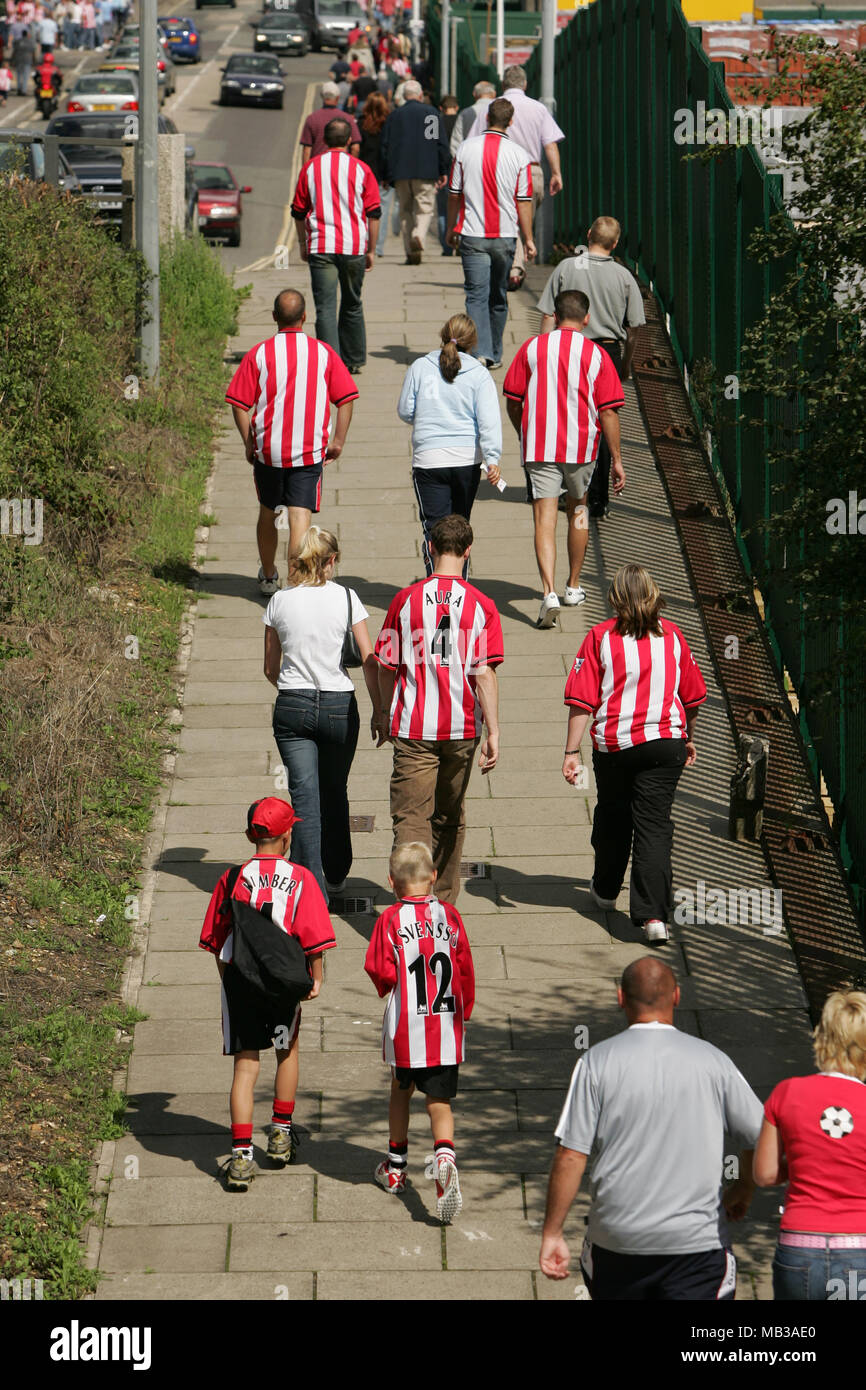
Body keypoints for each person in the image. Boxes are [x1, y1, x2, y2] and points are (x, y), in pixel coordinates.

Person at [540, 957, 763, 1300]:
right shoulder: (713, 1061)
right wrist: (743, 1187)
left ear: (620, 998)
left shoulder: (595, 1062)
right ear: (676, 996)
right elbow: (759, 1133)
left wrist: (553, 1232)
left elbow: (571, 1155)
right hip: (697, 1245)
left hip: (616, 1240)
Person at [562, 564, 707, 943]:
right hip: (665, 745)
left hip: (615, 747)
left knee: (613, 815)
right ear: (654, 595)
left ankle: (607, 890)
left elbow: (581, 701)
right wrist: (686, 735)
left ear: (615, 599)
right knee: (654, 827)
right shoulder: (673, 636)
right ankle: (653, 916)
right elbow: (692, 697)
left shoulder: (600, 637)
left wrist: (571, 751)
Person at [198, 798, 336, 1191]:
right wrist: (316, 977)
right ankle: (280, 1132)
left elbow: (215, 939)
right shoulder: (302, 878)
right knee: (286, 1050)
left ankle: (241, 1157)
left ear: (249, 836)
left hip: (241, 982)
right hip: (282, 983)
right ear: (288, 834)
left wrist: (228, 977)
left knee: (245, 1066)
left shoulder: (232, 878)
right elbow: (314, 939)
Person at [374, 514, 503, 905]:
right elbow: (483, 674)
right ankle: (443, 903)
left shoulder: (405, 600)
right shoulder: (482, 606)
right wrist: (493, 731)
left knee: (411, 819)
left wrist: (383, 711)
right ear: (468, 551)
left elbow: (386, 664)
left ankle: (412, 903)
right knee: (449, 818)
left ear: (429, 548)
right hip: (462, 729)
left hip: (413, 727)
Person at [263, 526, 383, 902]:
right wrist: (381, 709)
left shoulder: (279, 601)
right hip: (338, 708)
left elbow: (270, 667)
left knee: (304, 797)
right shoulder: (347, 598)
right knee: (335, 790)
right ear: (331, 561)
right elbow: (368, 659)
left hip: (292, 706)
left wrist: (294, 692)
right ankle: (336, 873)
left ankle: (309, 892)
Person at [364, 841, 475, 1222]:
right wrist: (466, 1010)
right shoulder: (450, 917)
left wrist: (389, 984)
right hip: (445, 1027)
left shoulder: (390, 921)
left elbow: (380, 969)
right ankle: (444, 1154)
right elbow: (464, 968)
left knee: (400, 1092)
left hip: (407, 1032)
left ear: (392, 882)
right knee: (439, 1103)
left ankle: (396, 1169)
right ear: (434, 877)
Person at [503, 289, 625, 626]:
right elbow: (609, 412)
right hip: (581, 449)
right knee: (579, 512)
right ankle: (573, 585)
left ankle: (548, 592)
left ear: (555, 317)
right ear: (587, 318)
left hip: (540, 447)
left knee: (544, 519)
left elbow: (513, 398)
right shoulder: (597, 355)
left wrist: (522, 429)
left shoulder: (532, 349)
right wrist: (616, 458)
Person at [226, 289, 358, 594]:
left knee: (268, 512)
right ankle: (295, 582)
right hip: (309, 450)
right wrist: (338, 439)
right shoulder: (323, 353)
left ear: (274, 317)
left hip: (268, 451)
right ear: (305, 317)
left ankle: (269, 575)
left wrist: (249, 441)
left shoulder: (259, 353)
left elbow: (237, 401)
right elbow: (347, 397)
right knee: (299, 515)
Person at [754, 988, 866, 1301]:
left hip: (799, 1246)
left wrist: (804, 1165)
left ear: (823, 1036)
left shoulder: (786, 1092)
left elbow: (763, 1174)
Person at [538, 217, 646, 519]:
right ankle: (597, 498)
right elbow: (634, 329)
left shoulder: (566, 268)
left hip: (568, 348)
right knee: (601, 421)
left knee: (567, 417)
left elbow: (549, 315)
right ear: (615, 243)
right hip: (607, 351)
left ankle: (567, 487)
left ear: (588, 235)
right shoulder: (624, 277)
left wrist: (544, 353)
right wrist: (625, 363)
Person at [397, 314, 502, 577]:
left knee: (434, 529)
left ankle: (435, 585)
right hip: (467, 461)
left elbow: (405, 410)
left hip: (429, 460)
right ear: (473, 341)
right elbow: (488, 421)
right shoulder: (479, 374)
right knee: (460, 527)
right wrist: (492, 459)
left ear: (443, 334)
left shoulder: (420, 367)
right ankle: (459, 587)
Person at [447, 98, 535, 371]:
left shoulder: (465, 149)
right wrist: (529, 239)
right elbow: (524, 202)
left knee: (475, 296)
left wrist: (452, 228)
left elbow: (454, 194)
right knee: (498, 296)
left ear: (486, 118)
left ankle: (479, 353)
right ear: (511, 121)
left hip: (472, 234)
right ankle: (495, 353)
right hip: (505, 236)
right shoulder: (520, 155)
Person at [291, 117, 381, 374]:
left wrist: (302, 243)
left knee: (325, 308)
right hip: (353, 247)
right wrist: (371, 249)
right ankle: (353, 359)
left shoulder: (310, 168)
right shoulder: (361, 169)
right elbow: (374, 213)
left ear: (325, 140)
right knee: (352, 303)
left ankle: (330, 365)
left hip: (321, 247)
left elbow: (298, 211)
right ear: (350, 141)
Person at [465, 64, 565, 290]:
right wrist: (556, 173)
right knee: (522, 220)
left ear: (503, 85)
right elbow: (549, 144)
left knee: (511, 220)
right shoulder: (538, 109)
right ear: (525, 84)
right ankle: (514, 267)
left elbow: (473, 141)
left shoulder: (491, 107)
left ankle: (510, 266)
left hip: (498, 169)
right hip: (532, 170)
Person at [380, 78, 450, 265]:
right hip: (426, 170)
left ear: (403, 97)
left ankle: (411, 254)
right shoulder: (430, 113)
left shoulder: (395, 116)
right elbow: (439, 143)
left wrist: (385, 174)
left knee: (405, 211)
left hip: (401, 171)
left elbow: (385, 147)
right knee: (424, 208)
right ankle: (418, 234)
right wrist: (443, 169)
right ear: (420, 95)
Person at [357, 90, 393, 258]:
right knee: (382, 211)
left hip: (363, 174)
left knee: (362, 211)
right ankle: (377, 247)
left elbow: (357, 149)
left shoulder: (360, 124)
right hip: (383, 174)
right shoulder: (389, 124)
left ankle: (364, 244)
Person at [299, 82, 361, 163]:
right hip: (343, 167)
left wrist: (306, 171)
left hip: (318, 167)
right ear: (338, 97)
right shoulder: (347, 118)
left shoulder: (312, 119)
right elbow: (355, 148)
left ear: (322, 96)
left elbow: (307, 150)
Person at [450, 79, 494, 156]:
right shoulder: (500, 111)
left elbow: (456, 142)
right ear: (493, 94)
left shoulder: (465, 113)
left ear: (474, 94)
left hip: (470, 157)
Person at [11, 24, 34, 92]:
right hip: (27, 60)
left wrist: (12, 60)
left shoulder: (17, 41)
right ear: (26, 34)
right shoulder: (30, 42)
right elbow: (33, 52)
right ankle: (24, 90)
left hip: (19, 60)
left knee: (19, 75)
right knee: (25, 76)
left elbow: (14, 51)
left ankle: (19, 88)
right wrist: (34, 61)